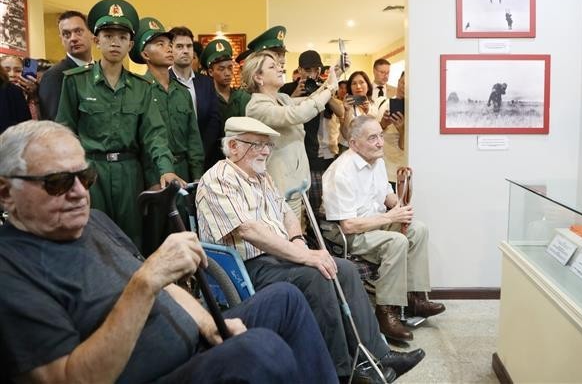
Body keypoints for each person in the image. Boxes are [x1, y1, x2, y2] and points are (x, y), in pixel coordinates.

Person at [0, 120, 337, 384]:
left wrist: (207, 323)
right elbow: (71, 379)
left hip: (190, 341)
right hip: (153, 373)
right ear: (6, 193)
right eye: (57, 182)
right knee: (258, 350)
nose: (78, 193)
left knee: (286, 299)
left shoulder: (96, 222)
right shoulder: (11, 272)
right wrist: (146, 282)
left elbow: (164, 285)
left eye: (85, 176)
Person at [196, 116, 425, 383]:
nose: (266, 151)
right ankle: (343, 371)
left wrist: (298, 241)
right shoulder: (219, 178)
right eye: (256, 145)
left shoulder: (261, 176)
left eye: (267, 145)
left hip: (279, 255)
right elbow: (249, 231)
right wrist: (305, 256)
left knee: (345, 269)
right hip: (246, 266)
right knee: (317, 276)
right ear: (233, 146)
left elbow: (286, 214)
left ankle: (377, 355)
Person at [56, 0, 183, 248]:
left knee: (131, 241)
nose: (115, 42)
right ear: (97, 40)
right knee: (91, 237)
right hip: (91, 172)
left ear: (131, 44)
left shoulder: (142, 88)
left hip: (129, 173)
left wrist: (165, 168)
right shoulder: (75, 82)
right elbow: (64, 133)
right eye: (108, 35)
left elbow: (154, 135)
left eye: (122, 37)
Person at [322, 116, 445, 342]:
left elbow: (385, 194)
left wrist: (398, 206)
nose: (380, 142)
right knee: (396, 242)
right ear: (354, 143)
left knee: (418, 229)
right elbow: (348, 225)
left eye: (380, 135)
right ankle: (385, 312)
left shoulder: (376, 161)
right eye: (372, 138)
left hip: (376, 221)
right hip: (352, 234)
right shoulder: (341, 172)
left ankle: (414, 298)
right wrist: (390, 216)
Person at [130, 17, 205, 255]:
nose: (169, 48)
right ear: (145, 53)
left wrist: (197, 182)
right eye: (160, 44)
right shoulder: (138, 89)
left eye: (169, 43)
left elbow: (194, 141)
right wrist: (149, 178)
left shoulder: (181, 92)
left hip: (182, 171)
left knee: (184, 238)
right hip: (152, 174)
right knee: (155, 242)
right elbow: (137, 140)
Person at [244, 50, 336, 219]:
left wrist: (331, 79)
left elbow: (310, 100)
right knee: (288, 238)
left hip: (296, 182)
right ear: (258, 77)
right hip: (279, 188)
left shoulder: (282, 98)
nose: (280, 69)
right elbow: (299, 114)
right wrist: (330, 89)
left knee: (298, 233)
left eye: (279, 66)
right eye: (273, 67)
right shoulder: (256, 106)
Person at [280, 50, 344, 216]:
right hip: (293, 152)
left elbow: (341, 111)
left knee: (318, 205)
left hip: (317, 155)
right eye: (308, 70)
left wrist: (325, 92)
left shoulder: (323, 89)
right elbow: (280, 114)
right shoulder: (287, 88)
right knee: (295, 204)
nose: (312, 74)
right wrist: (293, 96)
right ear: (300, 70)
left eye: (316, 70)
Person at [169, 26, 221, 170]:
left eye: (189, 46)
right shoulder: (165, 81)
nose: (185, 50)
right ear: (170, 49)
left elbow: (214, 119)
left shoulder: (206, 82)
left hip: (204, 156)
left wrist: (201, 150)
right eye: (179, 46)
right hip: (174, 159)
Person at [200, 38, 251, 162]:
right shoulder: (205, 99)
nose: (227, 73)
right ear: (211, 72)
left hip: (241, 158)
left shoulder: (241, 97)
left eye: (230, 68)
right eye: (221, 69)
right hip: (213, 160)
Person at [38, 10, 94, 120]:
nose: (73, 38)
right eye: (66, 34)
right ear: (62, 39)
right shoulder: (54, 76)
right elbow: (55, 124)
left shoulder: (102, 71)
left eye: (78, 31)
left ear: (91, 34)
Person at [340, 70, 390, 141]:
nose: (358, 86)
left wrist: (367, 112)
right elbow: (346, 134)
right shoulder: (345, 105)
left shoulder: (374, 105)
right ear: (350, 88)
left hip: (368, 148)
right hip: (349, 148)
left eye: (361, 82)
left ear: (368, 86)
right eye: (354, 83)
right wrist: (347, 111)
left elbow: (377, 131)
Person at [382, 72, 406, 188]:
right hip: (382, 167)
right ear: (398, 82)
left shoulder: (415, 110)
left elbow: (404, 147)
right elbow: (375, 133)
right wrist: (383, 123)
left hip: (401, 170)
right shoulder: (384, 103)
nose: (404, 87)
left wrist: (402, 130)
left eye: (408, 84)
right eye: (403, 82)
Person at [0, 54, 39, 119]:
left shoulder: (34, 96)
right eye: (6, 71)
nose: (12, 74)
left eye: (18, 71)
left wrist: (35, 96)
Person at [0, 64, 31, 134]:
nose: (12, 74)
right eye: (7, 70)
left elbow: (26, 127)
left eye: (18, 70)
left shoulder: (13, 91)